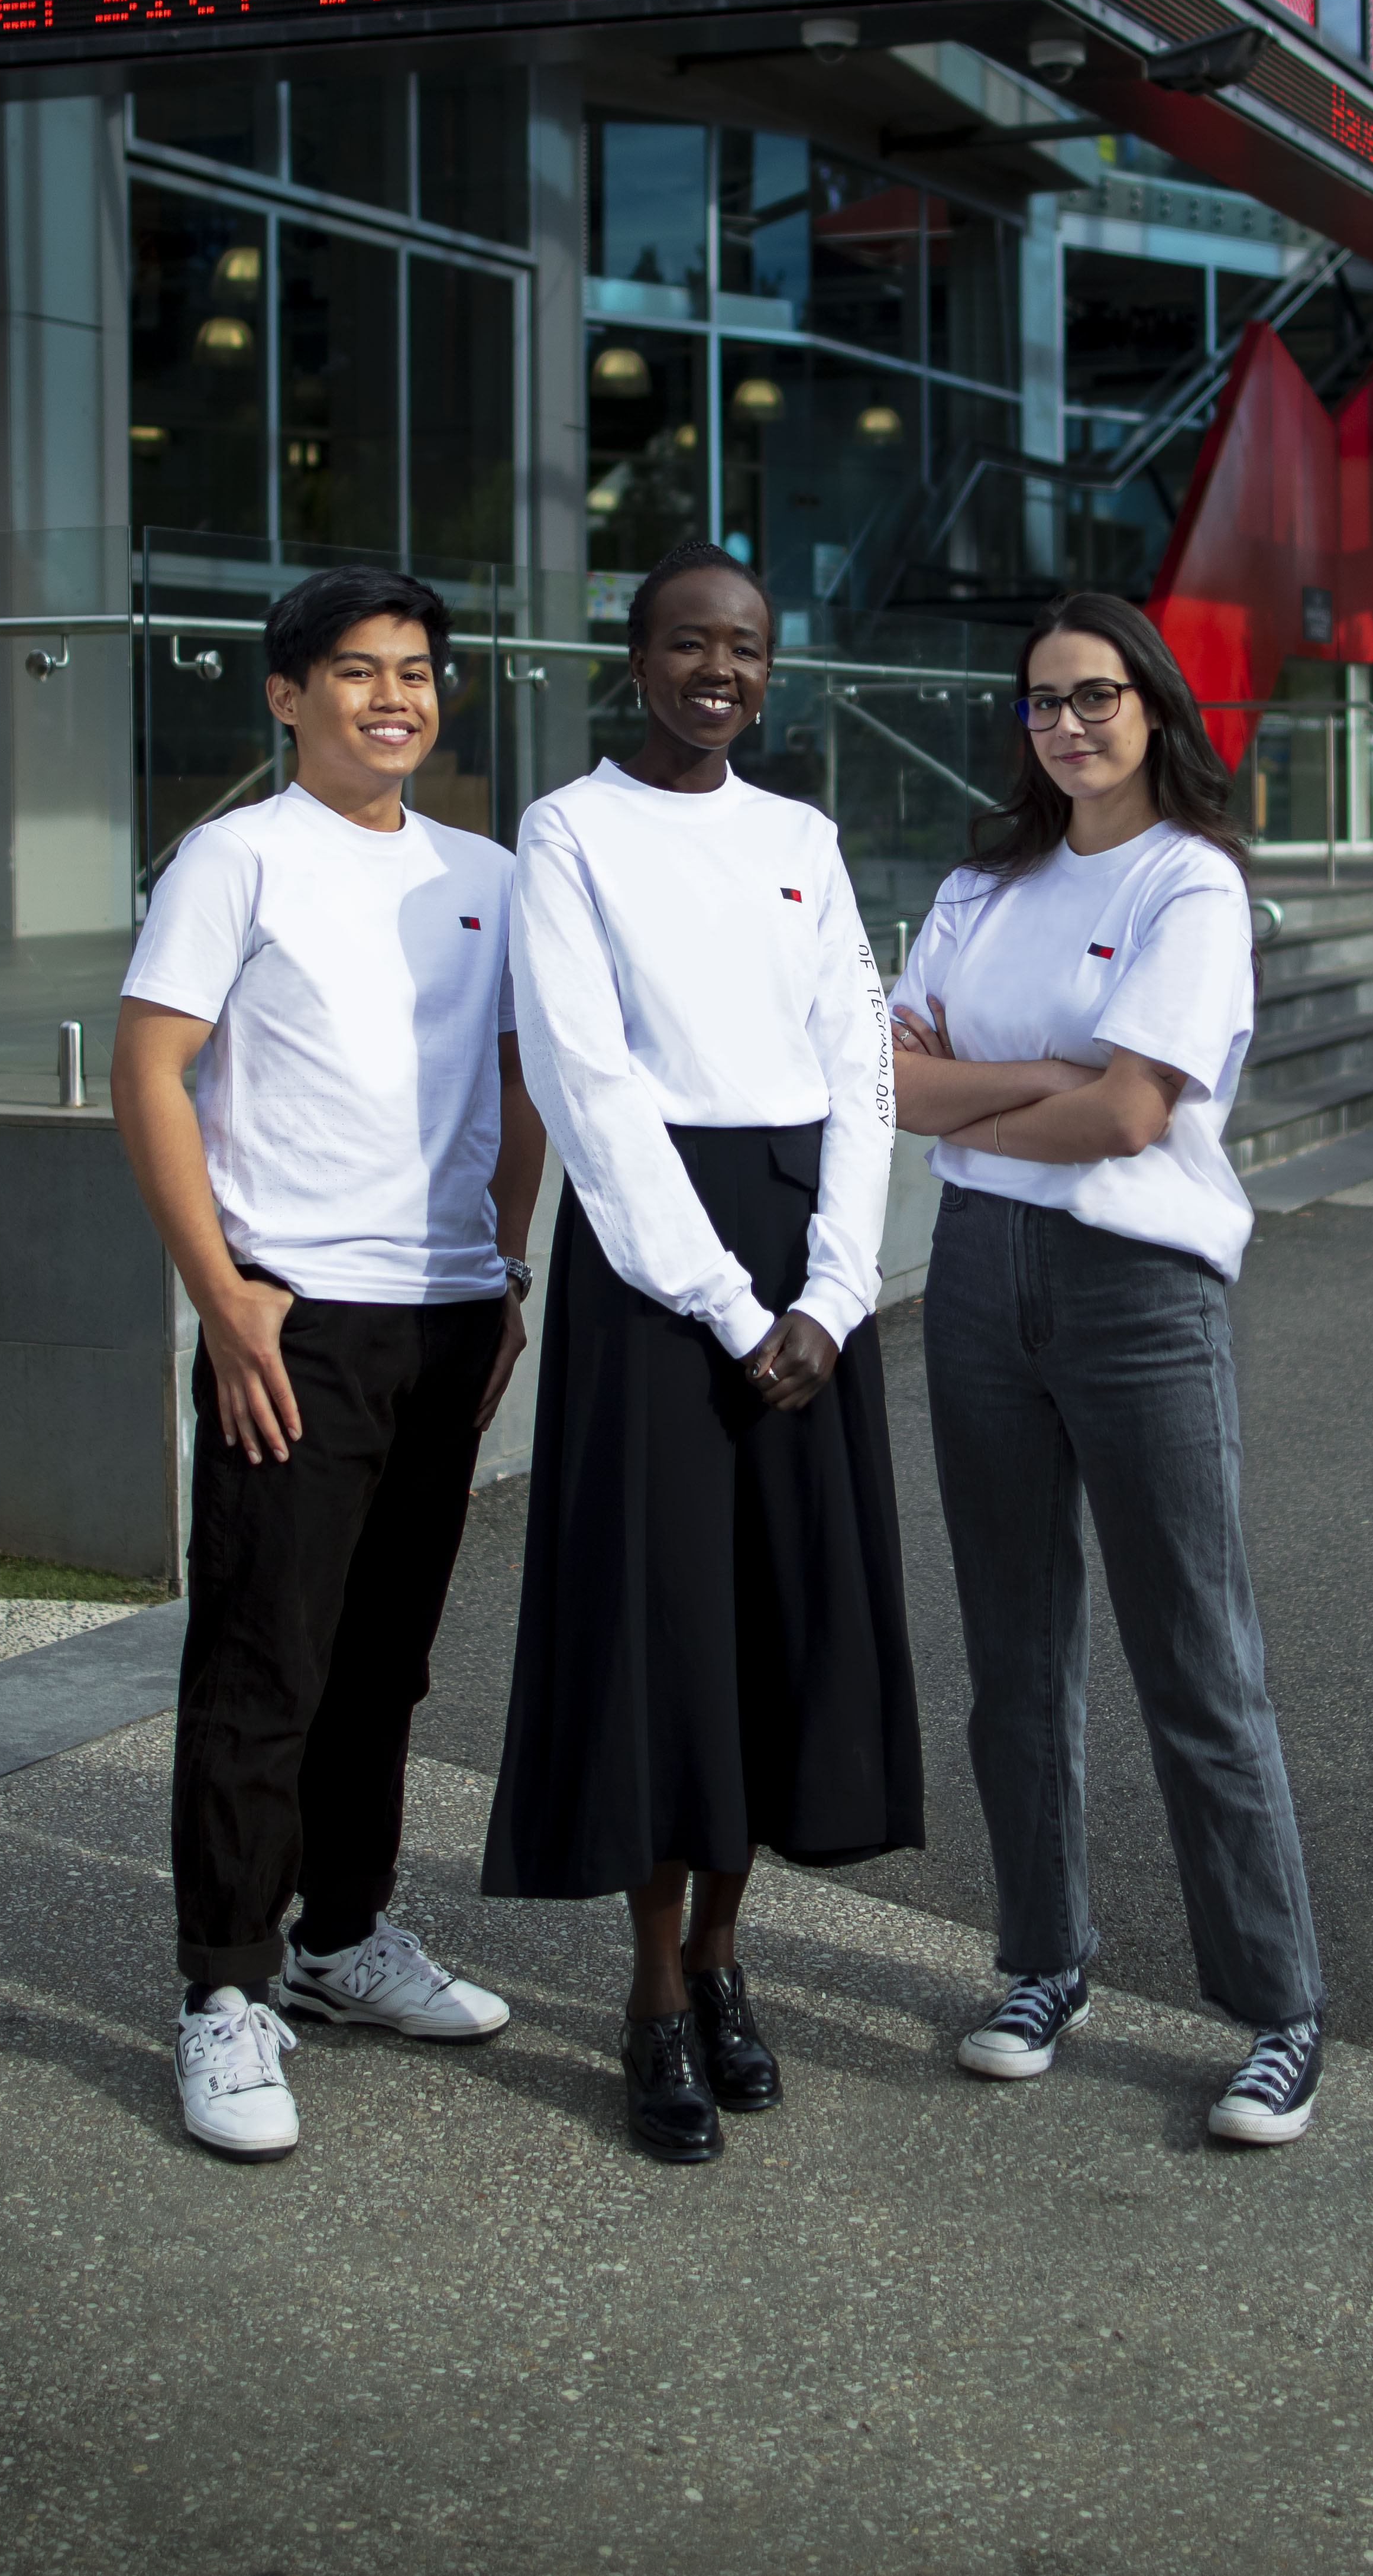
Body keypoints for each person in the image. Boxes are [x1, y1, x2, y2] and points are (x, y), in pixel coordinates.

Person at [484, 540, 925, 2164]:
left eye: (743, 646)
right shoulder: (569, 832)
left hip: (803, 1256)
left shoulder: (802, 836)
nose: (718, 670)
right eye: (688, 643)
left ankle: (732, 1956)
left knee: (773, 1618)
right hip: (652, 1262)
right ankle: (654, 1988)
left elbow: (857, 1065)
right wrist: (734, 1309)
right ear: (635, 656)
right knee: (663, 1627)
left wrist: (834, 1292)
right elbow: (590, 1090)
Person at [887, 589, 1330, 2147]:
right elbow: (888, 1076)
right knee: (1012, 1655)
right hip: (977, 1284)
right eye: (1039, 703)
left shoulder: (1188, 884)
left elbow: (1135, 1111)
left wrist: (973, 1106)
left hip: (1137, 1286)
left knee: (1192, 1658)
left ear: (1151, 703)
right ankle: (1040, 1962)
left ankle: (1277, 2008)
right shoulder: (983, 879)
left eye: (1093, 695)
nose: (1065, 724)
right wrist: (1030, 1083)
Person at [115, 568, 540, 2161]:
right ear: (284, 695)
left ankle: (342, 1935)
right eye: (355, 671)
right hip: (293, 1319)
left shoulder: (484, 871)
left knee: (385, 1663)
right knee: (260, 1664)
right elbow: (148, 1071)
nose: (393, 697)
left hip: (444, 1317)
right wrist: (219, 1296)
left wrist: (505, 1274)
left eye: (417, 671)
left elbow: (517, 1082)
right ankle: (225, 1989)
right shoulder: (235, 858)